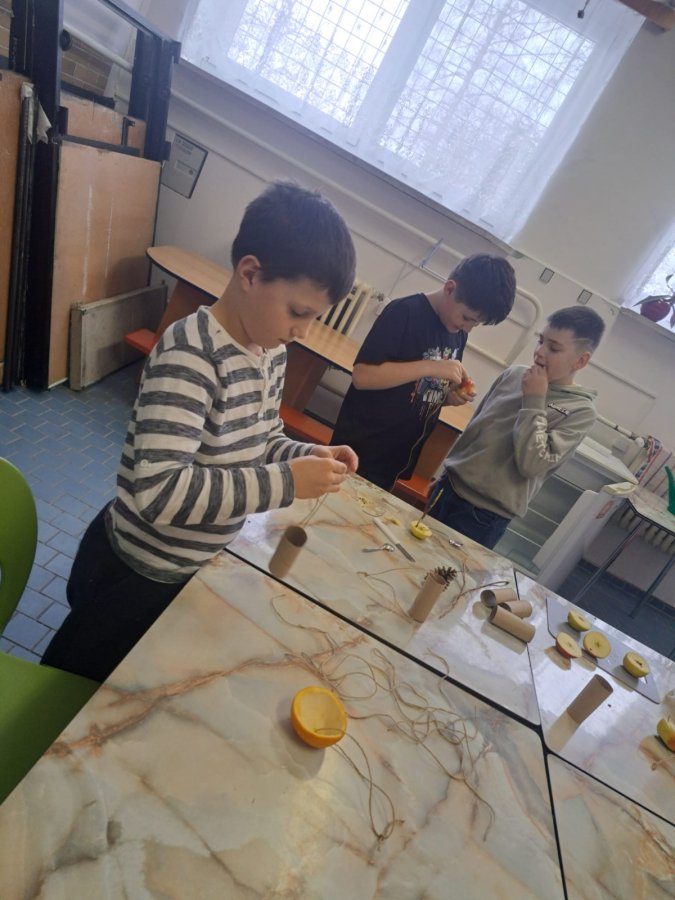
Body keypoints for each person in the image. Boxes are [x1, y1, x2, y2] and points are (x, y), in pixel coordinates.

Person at [41, 182, 358, 682]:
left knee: (127, 686)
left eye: (314, 318)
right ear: (249, 273)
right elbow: (159, 492)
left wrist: (306, 455)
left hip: (186, 567)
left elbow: (261, 439)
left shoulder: (271, 353)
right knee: (71, 688)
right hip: (135, 572)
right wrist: (287, 482)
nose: (303, 330)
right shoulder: (192, 355)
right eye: (299, 312)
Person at [330, 254, 516, 491]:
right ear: (450, 288)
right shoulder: (404, 312)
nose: (467, 328)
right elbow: (362, 377)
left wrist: (448, 398)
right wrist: (431, 366)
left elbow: (419, 391)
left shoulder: (457, 332)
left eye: (475, 324)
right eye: (466, 318)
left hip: (395, 456)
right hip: (362, 446)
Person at [428, 306, 606, 549]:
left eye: (554, 348)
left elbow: (533, 464)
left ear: (581, 360)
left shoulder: (580, 412)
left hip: (483, 515)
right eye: (541, 341)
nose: (540, 351)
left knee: (446, 571)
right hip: (448, 487)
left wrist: (534, 400)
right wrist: (443, 474)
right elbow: (474, 429)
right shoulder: (514, 375)